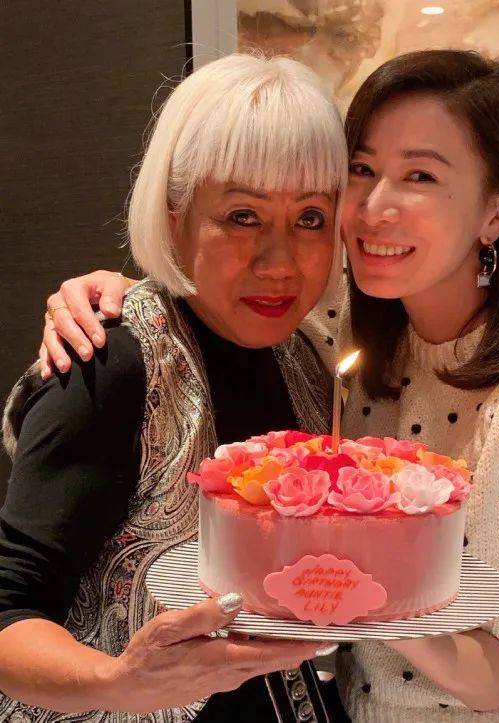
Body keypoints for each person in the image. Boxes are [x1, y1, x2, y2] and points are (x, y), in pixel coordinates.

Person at [35, 50, 499, 722]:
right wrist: (122, 298)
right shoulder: (347, 340)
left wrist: (368, 585)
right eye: (363, 170)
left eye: (420, 175)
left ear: (498, 212)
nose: (373, 207)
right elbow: (215, 299)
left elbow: (494, 681)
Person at [0, 52, 348, 721]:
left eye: (310, 217)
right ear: (175, 214)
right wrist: (118, 681)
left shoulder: (307, 356)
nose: (280, 262)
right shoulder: (112, 362)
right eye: (242, 215)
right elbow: (8, 608)